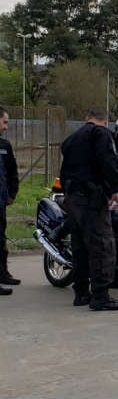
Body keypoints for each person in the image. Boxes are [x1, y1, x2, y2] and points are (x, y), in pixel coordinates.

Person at [60, 109, 118, 310]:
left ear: (86, 119)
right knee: (102, 245)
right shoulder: (101, 133)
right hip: (91, 199)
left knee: (80, 247)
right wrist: (115, 189)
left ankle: (81, 293)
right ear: (105, 122)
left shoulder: (71, 139)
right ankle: (100, 296)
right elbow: (107, 160)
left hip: (72, 197)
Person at [0, 106, 19, 295]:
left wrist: (12, 194)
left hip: (1, 201)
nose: (6, 127)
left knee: (1, 239)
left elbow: (12, 172)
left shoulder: (5, 146)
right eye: (4, 122)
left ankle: (3, 273)